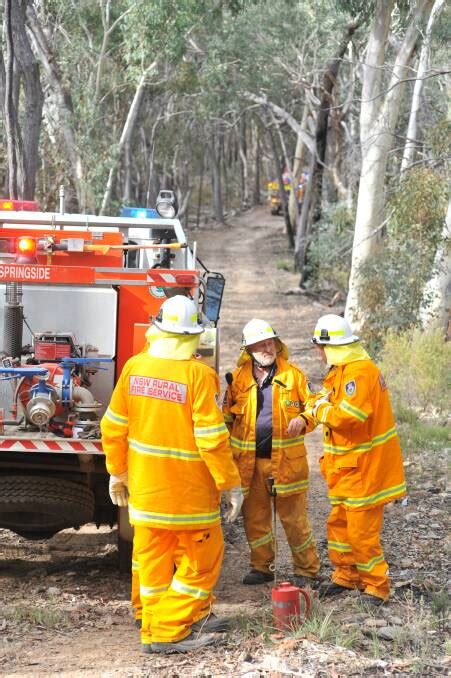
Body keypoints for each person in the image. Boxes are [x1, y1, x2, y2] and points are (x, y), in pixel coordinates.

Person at [101, 295, 243, 654]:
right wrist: (230, 484)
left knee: (152, 565)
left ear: (158, 330)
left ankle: (156, 623)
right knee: (202, 562)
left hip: (146, 496)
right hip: (188, 497)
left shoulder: (134, 368)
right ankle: (166, 630)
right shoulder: (198, 375)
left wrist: (117, 472)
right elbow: (211, 440)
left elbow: (113, 427)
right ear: (194, 336)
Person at [308, 314, 407, 605]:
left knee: (362, 533)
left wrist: (319, 411)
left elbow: (349, 417)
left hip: (363, 470)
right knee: (339, 525)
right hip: (345, 470)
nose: (317, 352)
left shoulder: (359, 373)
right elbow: (322, 399)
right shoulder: (342, 370)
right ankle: (346, 576)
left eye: (319, 346)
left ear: (330, 346)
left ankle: (377, 586)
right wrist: (319, 405)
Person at [222, 319, 320, 587]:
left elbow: (315, 407)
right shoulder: (238, 379)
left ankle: (307, 570)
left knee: (295, 520)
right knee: (255, 519)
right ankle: (261, 566)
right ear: (249, 348)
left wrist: (304, 419)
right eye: (261, 344)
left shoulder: (294, 376)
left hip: (287, 465)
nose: (268, 348)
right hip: (250, 466)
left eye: (271, 342)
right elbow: (227, 420)